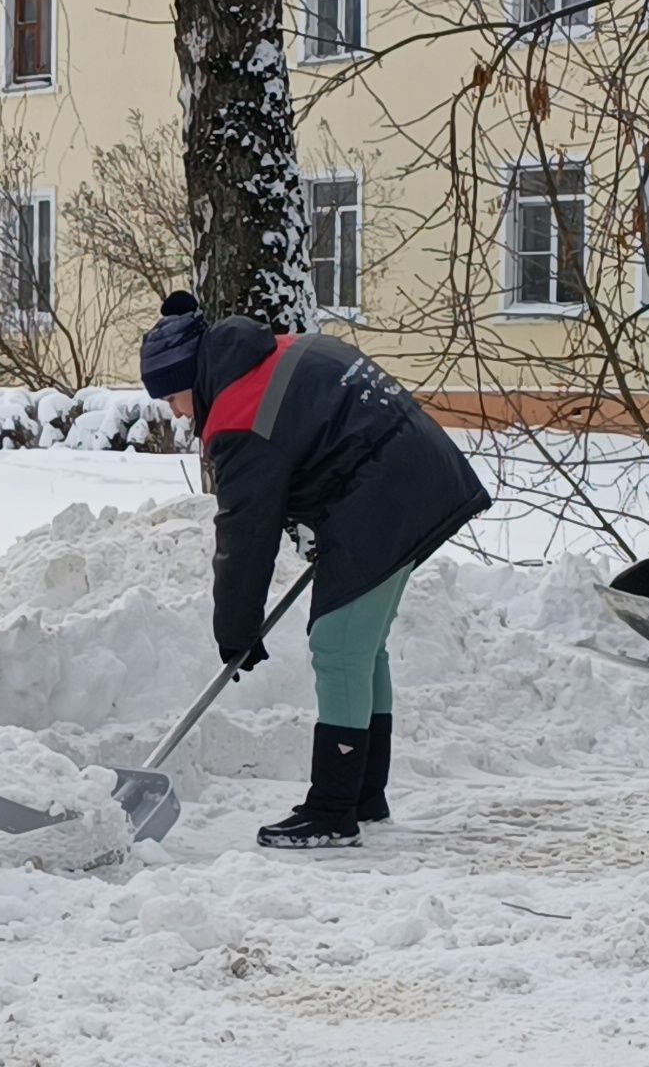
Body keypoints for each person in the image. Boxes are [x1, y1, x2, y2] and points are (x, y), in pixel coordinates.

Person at [141, 290, 490, 849]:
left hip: (387, 494)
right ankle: (363, 796)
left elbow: (245, 532)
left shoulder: (237, 414)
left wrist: (234, 628)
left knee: (340, 646)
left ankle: (332, 809)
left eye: (174, 398)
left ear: (190, 379)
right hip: (412, 475)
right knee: (361, 646)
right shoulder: (272, 352)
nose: (178, 413)